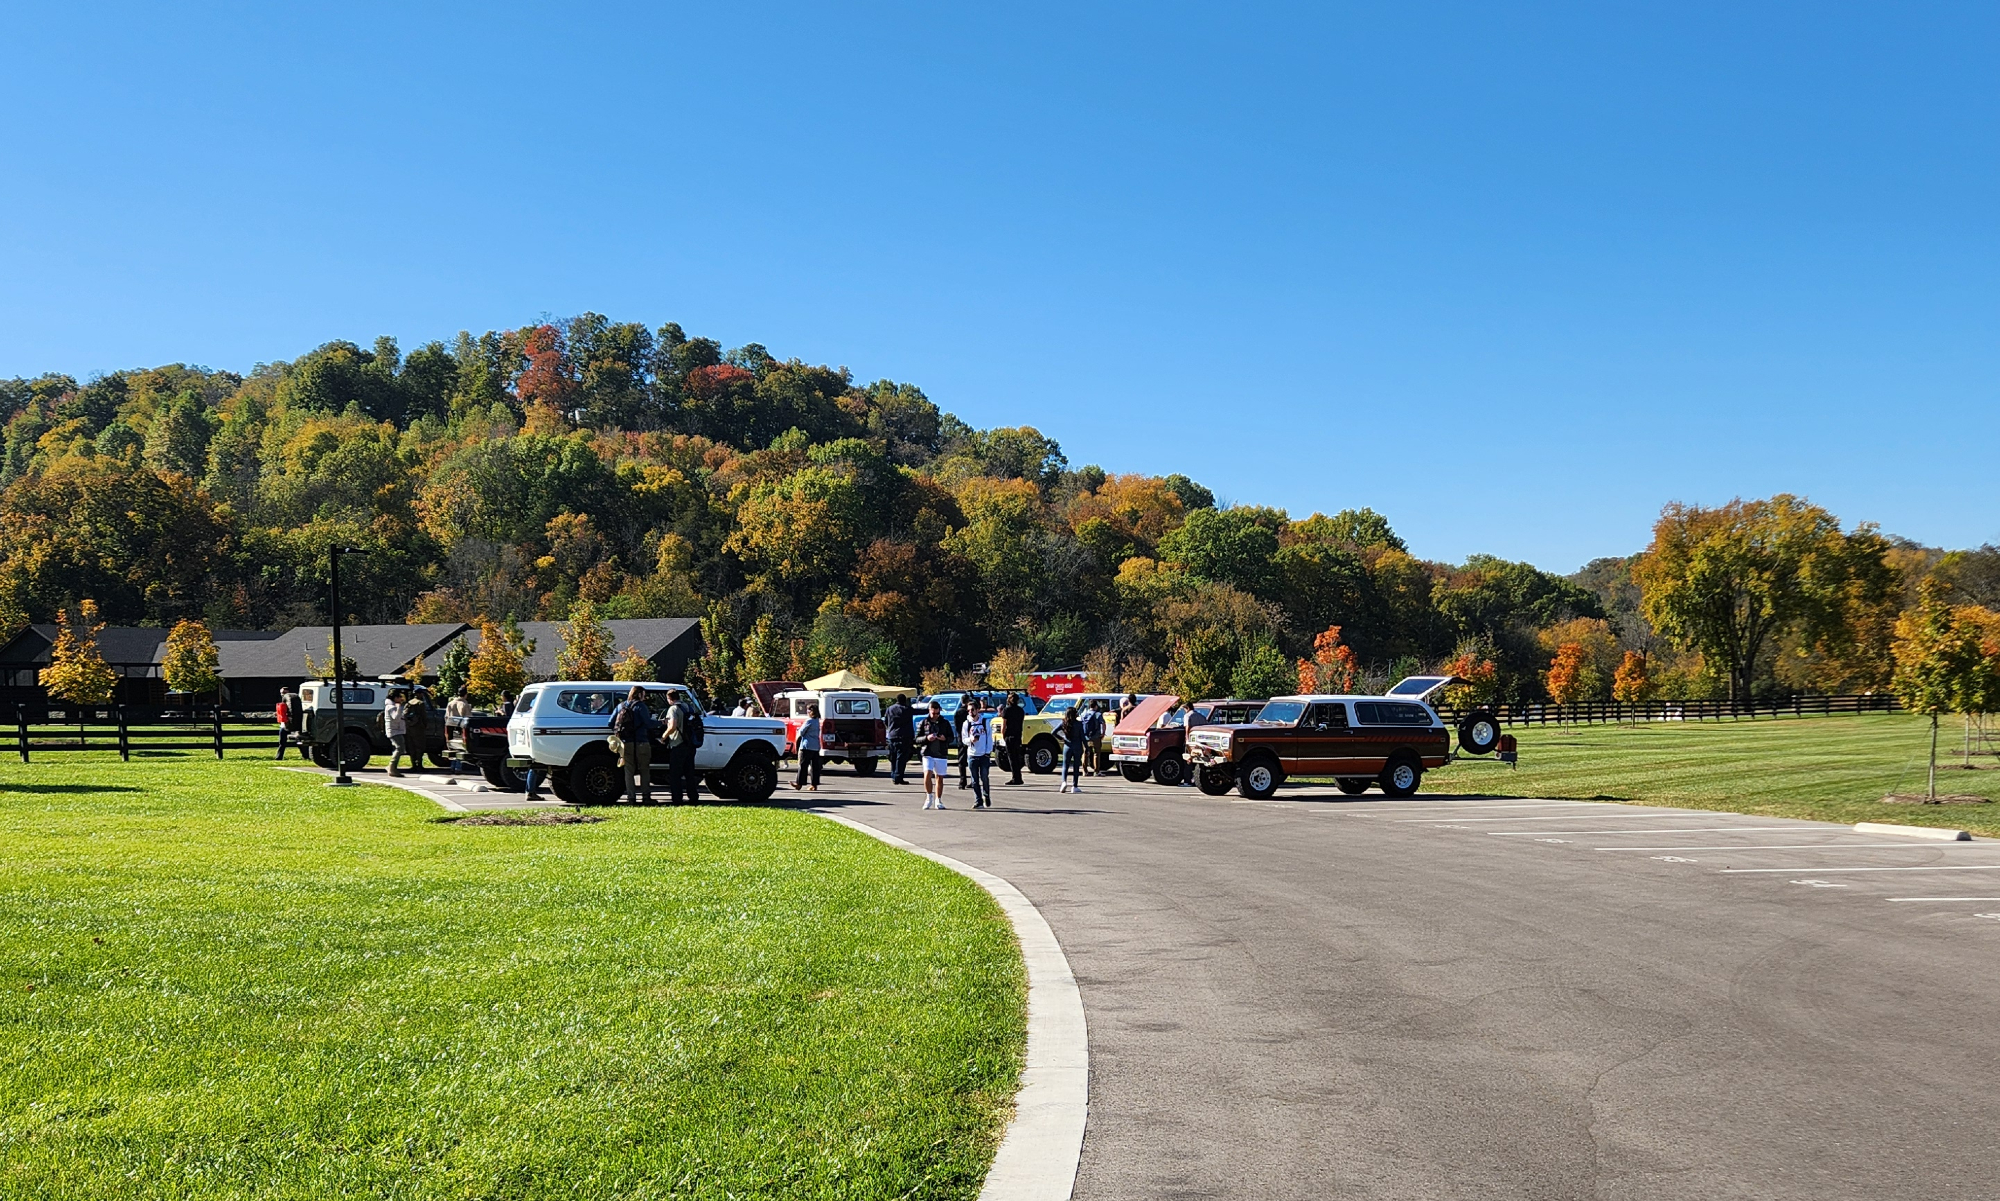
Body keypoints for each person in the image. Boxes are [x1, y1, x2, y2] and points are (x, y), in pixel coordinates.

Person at [608, 686, 655, 804]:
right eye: (643, 694)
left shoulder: (621, 706)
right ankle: (645, 797)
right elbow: (648, 723)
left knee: (628, 770)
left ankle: (631, 798)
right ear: (639, 694)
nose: (644, 697)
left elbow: (610, 723)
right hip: (641, 742)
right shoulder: (641, 706)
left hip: (625, 743)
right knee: (644, 769)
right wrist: (662, 722)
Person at [663, 691, 703, 804]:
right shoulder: (688, 707)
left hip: (678, 743)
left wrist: (663, 736)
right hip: (690, 744)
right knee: (689, 772)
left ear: (669, 698)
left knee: (675, 774)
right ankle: (693, 797)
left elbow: (673, 725)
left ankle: (677, 798)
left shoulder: (673, 709)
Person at [918, 700, 953, 809]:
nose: (936, 716)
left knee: (940, 777)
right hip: (928, 753)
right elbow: (917, 739)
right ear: (929, 711)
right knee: (927, 774)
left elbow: (951, 737)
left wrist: (944, 739)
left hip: (941, 753)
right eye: (934, 713)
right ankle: (929, 797)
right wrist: (927, 738)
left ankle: (938, 800)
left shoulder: (945, 722)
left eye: (938, 713)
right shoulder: (924, 722)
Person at [965, 698, 995, 808]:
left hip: (983, 755)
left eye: (972, 710)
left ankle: (986, 795)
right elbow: (964, 739)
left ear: (978, 710)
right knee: (974, 780)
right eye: (968, 710)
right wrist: (970, 740)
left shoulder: (985, 722)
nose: (970, 712)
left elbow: (989, 738)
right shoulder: (966, 724)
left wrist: (988, 752)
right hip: (972, 755)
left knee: (984, 777)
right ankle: (978, 800)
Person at [792, 703, 824, 791]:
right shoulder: (817, 721)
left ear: (811, 712)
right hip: (815, 746)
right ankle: (814, 784)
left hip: (806, 745)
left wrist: (799, 730)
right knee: (815, 767)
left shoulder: (809, 721)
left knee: (803, 765)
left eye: (808, 710)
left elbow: (801, 732)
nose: (807, 712)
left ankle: (799, 783)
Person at [885, 694, 913, 785]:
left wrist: (890, 728)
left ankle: (894, 775)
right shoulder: (906, 709)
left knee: (893, 757)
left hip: (892, 736)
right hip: (903, 736)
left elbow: (886, 720)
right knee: (901, 758)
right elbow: (918, 711)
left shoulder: (890, 709)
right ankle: (898, 777)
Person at [444, 686, 471, 776]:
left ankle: (453, 766)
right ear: (466, 694)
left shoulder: (450, 703)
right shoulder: (464, 704)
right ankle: (458, 767)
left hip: (450, 727)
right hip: (460, 728)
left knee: (453, 747)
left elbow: (446, 717)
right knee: (460, 748)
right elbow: (468, 718)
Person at [1180, 700, 1208, 785]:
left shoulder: (1187, 716)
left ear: (1187, 708)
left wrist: (1187, 739)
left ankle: (1187, 781)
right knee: (1200, 760)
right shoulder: (1201, 716)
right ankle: (1197, 780)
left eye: (1184, 709)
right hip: (1201, 741)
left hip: (1191, 741)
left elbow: (1187, 728)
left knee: (1188, 760)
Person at [384, 688, 411, 777]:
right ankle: (392, 767)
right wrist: (399, 707)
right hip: (394, 731)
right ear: (395, 698)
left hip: (397, 730)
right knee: (399, 748)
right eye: (399, 697)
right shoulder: (391, 707)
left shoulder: (393, 706)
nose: (401, 699)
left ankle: (391, 767)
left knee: (400, 748)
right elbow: (395, 718)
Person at [1058, 706, 1085, 793]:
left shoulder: (1064, 723)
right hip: (1077, 746)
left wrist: (1062, 738)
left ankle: (1064, 782)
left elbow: (1053, 732)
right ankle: (1074, 786)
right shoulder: (1079, 724)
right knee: (1076, 767)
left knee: (1065, 765)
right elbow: (1083, 737)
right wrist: (1087, 748)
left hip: (1067, 746)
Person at [1001, 692, 1026, 785]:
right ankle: (1018, 776)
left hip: (1009, 736)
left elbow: (1004, 725)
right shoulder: (1021, 710)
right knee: (1017, 756)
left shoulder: (1006, 710)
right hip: (1018, 735)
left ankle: (1016, 778)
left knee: (1011, 757)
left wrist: (1003, 735)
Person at [274, 686, 298, 760]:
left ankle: (306, 755)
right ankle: (279, 757)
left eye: (284, 693)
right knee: (282, 742)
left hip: (292, 723)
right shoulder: (282, 701)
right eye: (281, 693)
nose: (282, 694)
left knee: (299, 740)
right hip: (283, 725)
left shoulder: (294, 702)